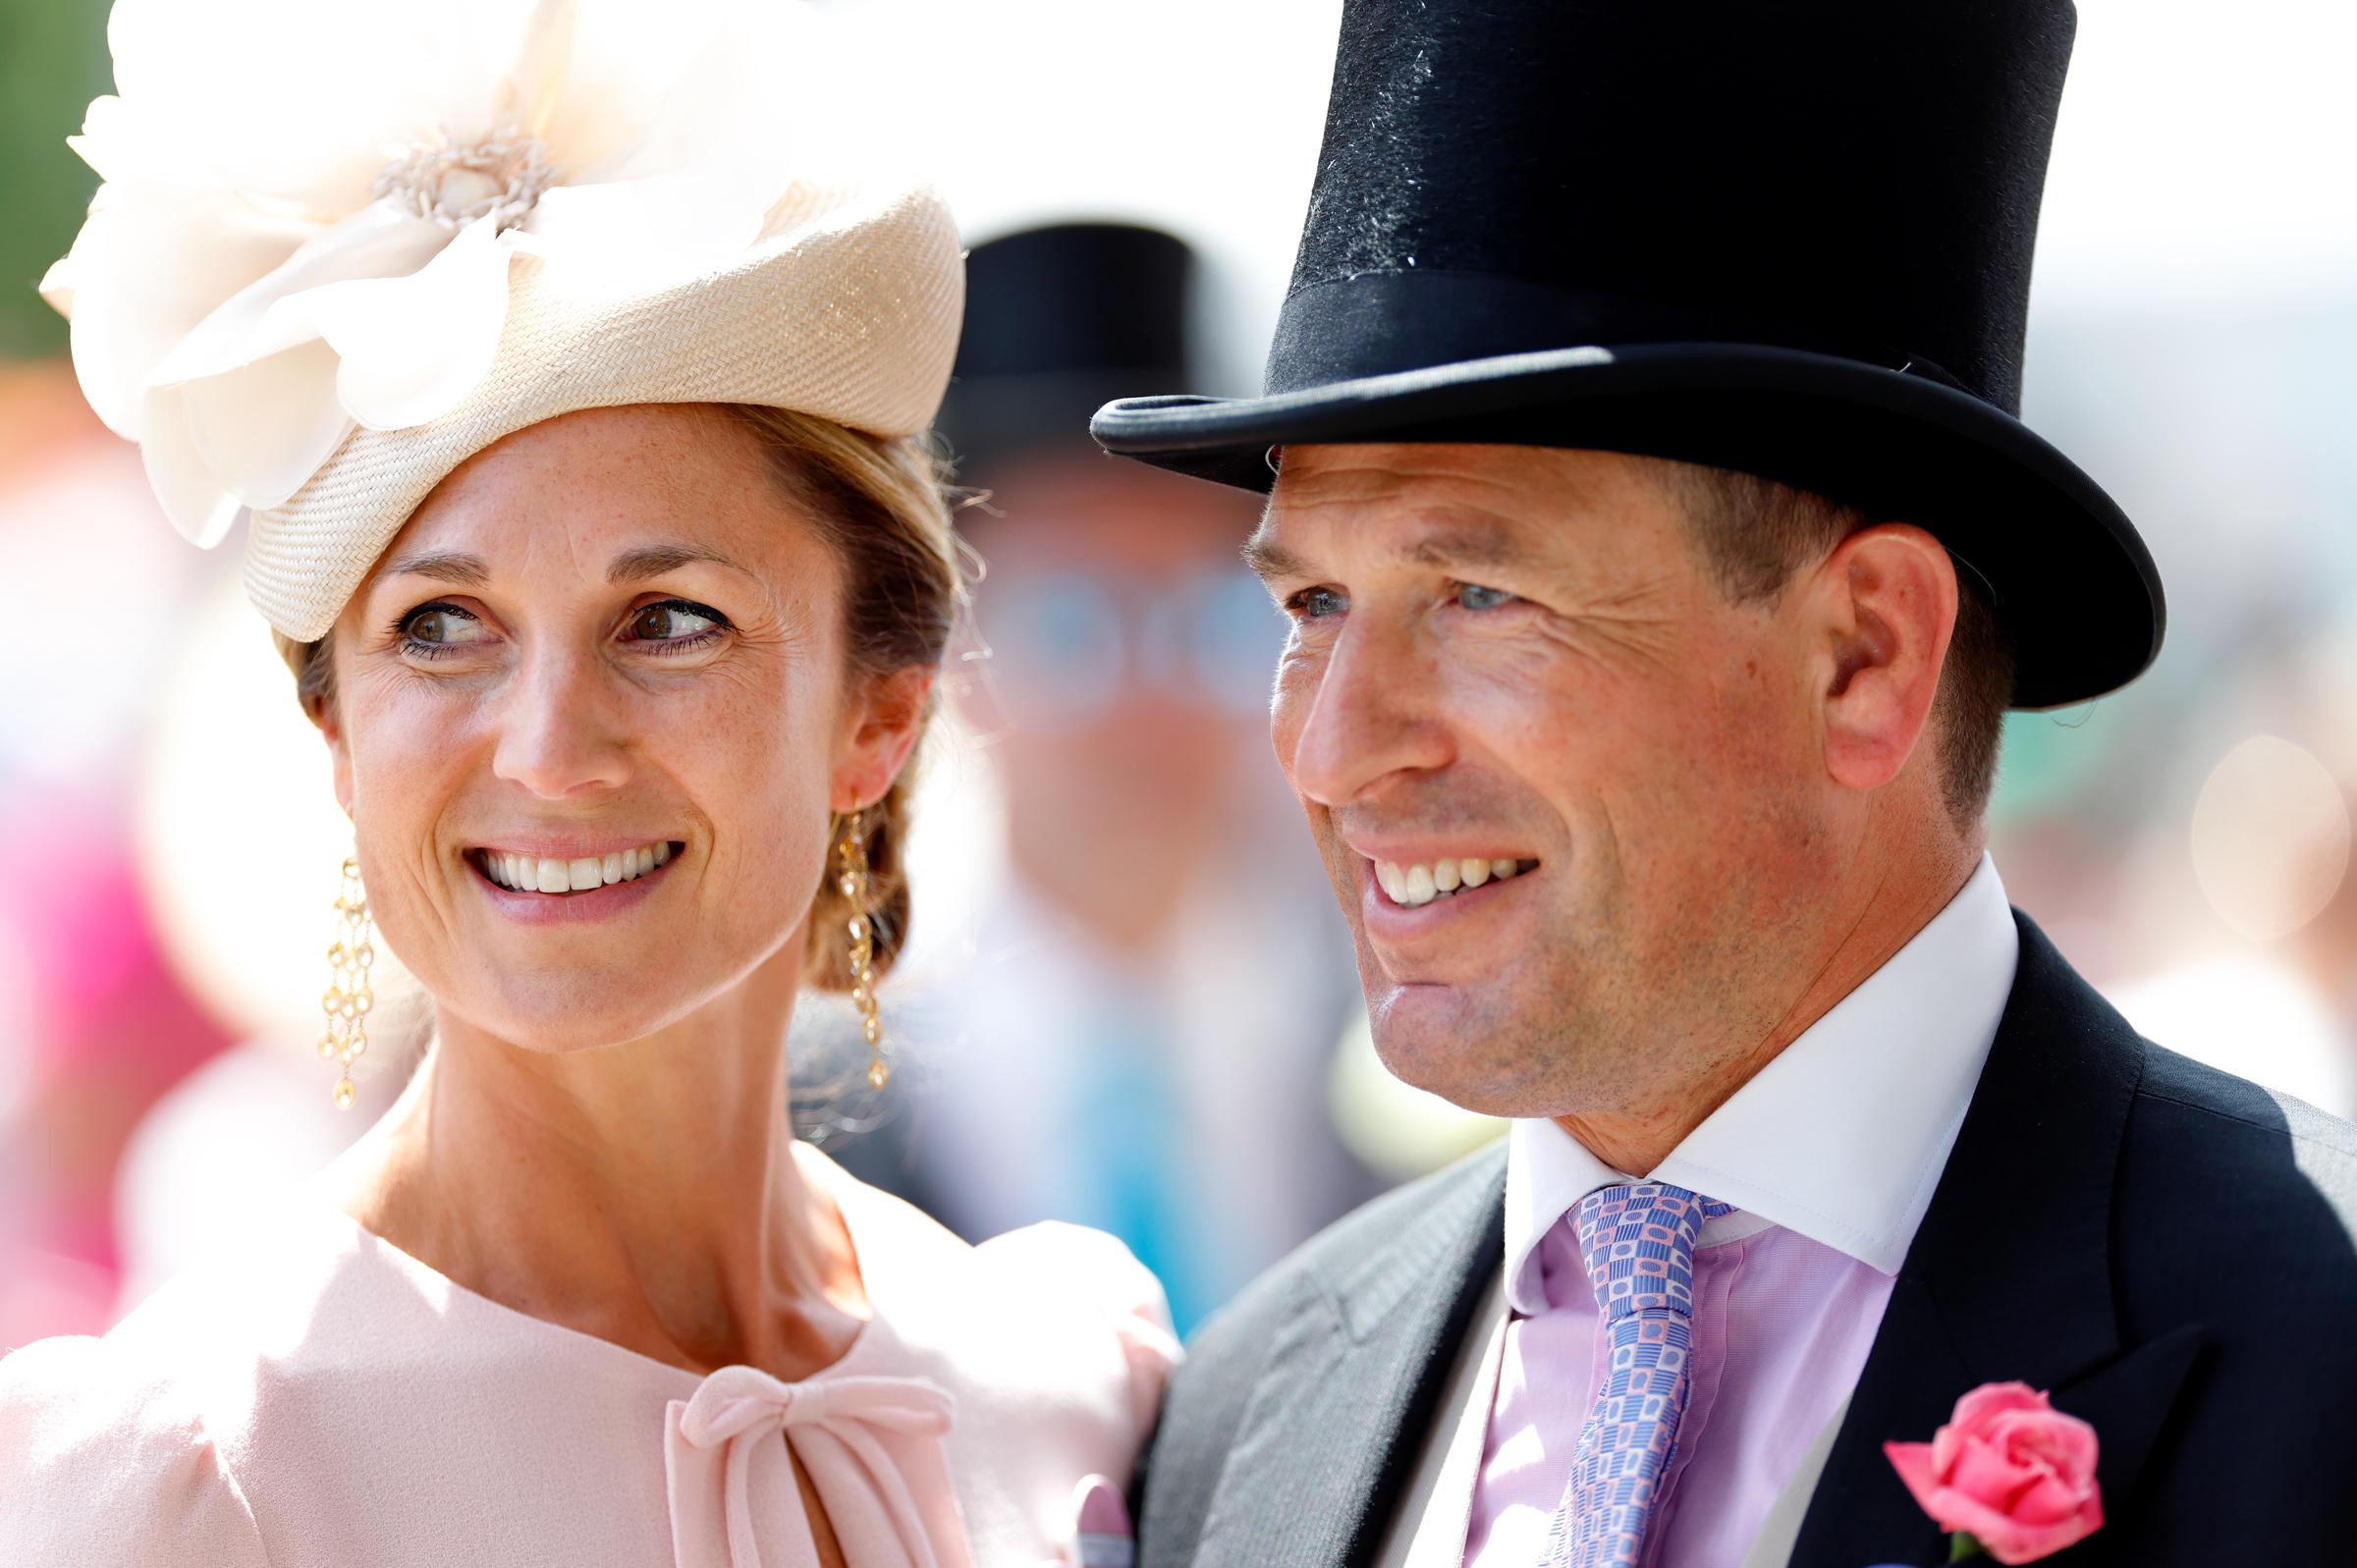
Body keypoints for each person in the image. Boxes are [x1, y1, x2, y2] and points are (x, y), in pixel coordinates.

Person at [1090, 2, 2357, 1565]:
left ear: (1864, 656)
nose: (1332, 746)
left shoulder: (2322, 1353)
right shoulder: (1242, 1418)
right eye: (1310, 608)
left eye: (1478, 596)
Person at [0, 3, 1171, 1565]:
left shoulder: (1073, 1376)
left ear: (881, 714)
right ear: (336, 731)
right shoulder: (184, 1486)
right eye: (442, 628)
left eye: (670, 620)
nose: (551, 748)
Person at [842, 223, 1371, 1332]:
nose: (1153, 699)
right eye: (1075, 624)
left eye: (1214, 616)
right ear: (942, 655)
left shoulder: (1402, 1032)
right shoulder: (824, 1092)